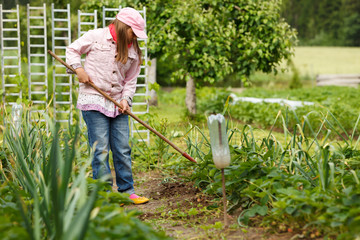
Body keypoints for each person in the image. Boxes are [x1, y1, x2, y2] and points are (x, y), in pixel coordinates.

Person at [66, 7, 149, 204]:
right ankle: (103, 195)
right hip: (94, 99)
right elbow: (72, 50)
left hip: (118, 103)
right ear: (123, 27)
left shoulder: (133, 48)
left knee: (122, 148)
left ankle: (126, 191)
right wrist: (78, 69)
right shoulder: (95, 36)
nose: (134, 37)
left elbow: (131, 79)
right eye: (133, 32)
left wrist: (126, 99)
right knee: (101, 149)